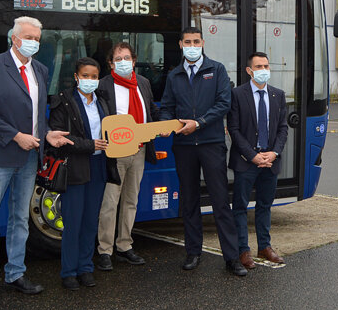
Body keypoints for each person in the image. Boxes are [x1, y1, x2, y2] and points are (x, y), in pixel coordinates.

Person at [0, 16, 72, 306]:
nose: (34, 42)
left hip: (29, 157)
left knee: (20, 221)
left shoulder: (40, 69)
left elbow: (38, 116)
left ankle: (15, 274)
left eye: (38, 38)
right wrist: (15, 136)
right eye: (30, 37)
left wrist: (47, 134)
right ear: (15, 38)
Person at [159, 26, 246, 277]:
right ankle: (193, 251)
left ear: (203, 43)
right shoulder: (174, 75)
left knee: (220, 202)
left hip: (211, 144)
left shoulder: (216, 69)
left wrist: (199, 123)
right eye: (188, 42)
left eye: (196, 41)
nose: (192, 45)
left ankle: (232, 257)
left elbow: (223, 104)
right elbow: (167, 107)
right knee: (189, 201)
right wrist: (166, 125)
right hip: (184, 147)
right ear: (180, 45)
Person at [48, 58, 120, 289]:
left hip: (99, 167)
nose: (90, 80)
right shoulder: (63, 102)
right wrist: (90, 145)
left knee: (91, 221)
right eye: (85, 76)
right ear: (76, 76)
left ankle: (86, 268)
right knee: (73, 222)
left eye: (94, 76)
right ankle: (68, 272)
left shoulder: (104, 101)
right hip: (75, 167)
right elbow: (61, 137)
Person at [95, 42, 159, 271]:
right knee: (110, 202)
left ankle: (124, 245)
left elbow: (151, 110)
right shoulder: (102, 86)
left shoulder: (143, 83)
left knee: (131, 201)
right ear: (111, 63)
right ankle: (104, 249)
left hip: (139, 149)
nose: (123, 62)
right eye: (118, 59)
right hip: (115, 152)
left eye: (127, 58)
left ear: (134, 60)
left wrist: (164, 123)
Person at [227, 52, 288, 270]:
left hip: (270, 161)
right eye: (259, 66)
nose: (263, 70)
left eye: (266, 66)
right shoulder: (237, 95)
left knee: (265, 205)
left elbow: (282, 128)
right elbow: (233, 129)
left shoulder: (278, 95)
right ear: (249, 71)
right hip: (246, 161)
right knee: (241, 207)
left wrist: (274, 153)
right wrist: (252, 155)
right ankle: (243, 250)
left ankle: (265, 246)